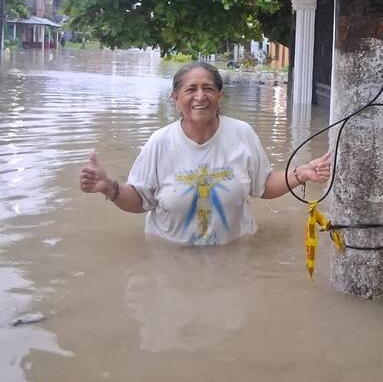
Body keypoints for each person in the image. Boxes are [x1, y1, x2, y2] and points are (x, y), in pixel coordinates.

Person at [80, 62, 330, 246]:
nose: (200, 96)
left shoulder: (242, 134)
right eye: (191, 89)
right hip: (170, 253)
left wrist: (300, 174)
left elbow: (263, 185)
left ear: (219, 95)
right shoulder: (160, 142)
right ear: (176, 98)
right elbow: (139, 200)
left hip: (236, 250)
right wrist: (108, 187)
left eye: (208, 88)